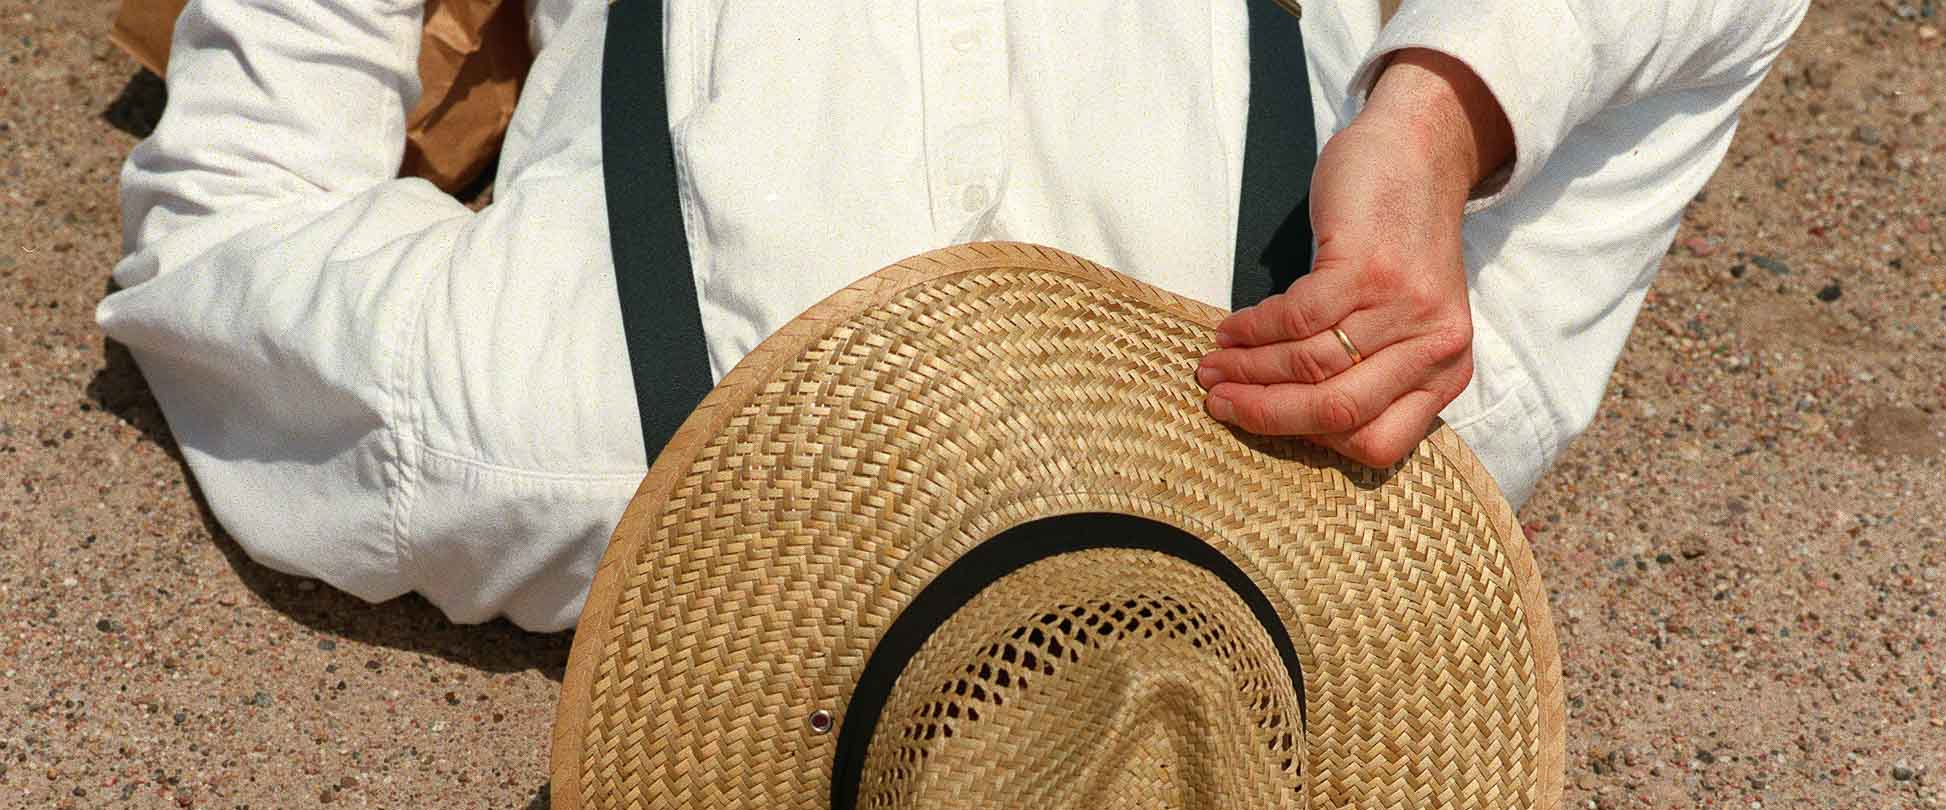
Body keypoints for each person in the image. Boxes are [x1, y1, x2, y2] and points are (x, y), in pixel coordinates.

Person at [96, 0, 1807, 633]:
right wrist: (1436, 114)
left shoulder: (561, 448)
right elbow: (225, 233)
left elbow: (217, 236)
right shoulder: (1413, 417)